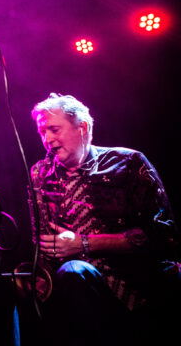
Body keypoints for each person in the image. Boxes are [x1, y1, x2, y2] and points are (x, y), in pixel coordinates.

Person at [27, 93, 179, 345]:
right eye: (42, 132)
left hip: (142, 288)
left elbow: (164, 237)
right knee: (71, 273)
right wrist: (42, 277)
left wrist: (83, 243)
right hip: (80, 294)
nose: (47, 139)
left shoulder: (128, 162)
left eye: (54, 129)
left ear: (82, 127)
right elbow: (42, 245)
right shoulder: (40, 173)